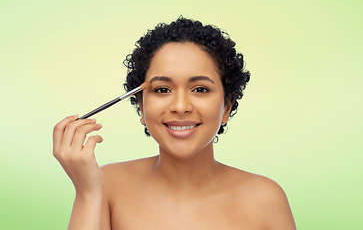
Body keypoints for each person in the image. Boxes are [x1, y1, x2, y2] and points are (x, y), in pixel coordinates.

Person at [53, 17, 296, 230]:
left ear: (227, 106)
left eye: (200, 89)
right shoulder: (107, 185)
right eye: (162, 89)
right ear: (141, 106)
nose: (180, 106)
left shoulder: (266, 199)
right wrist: (87, 193)